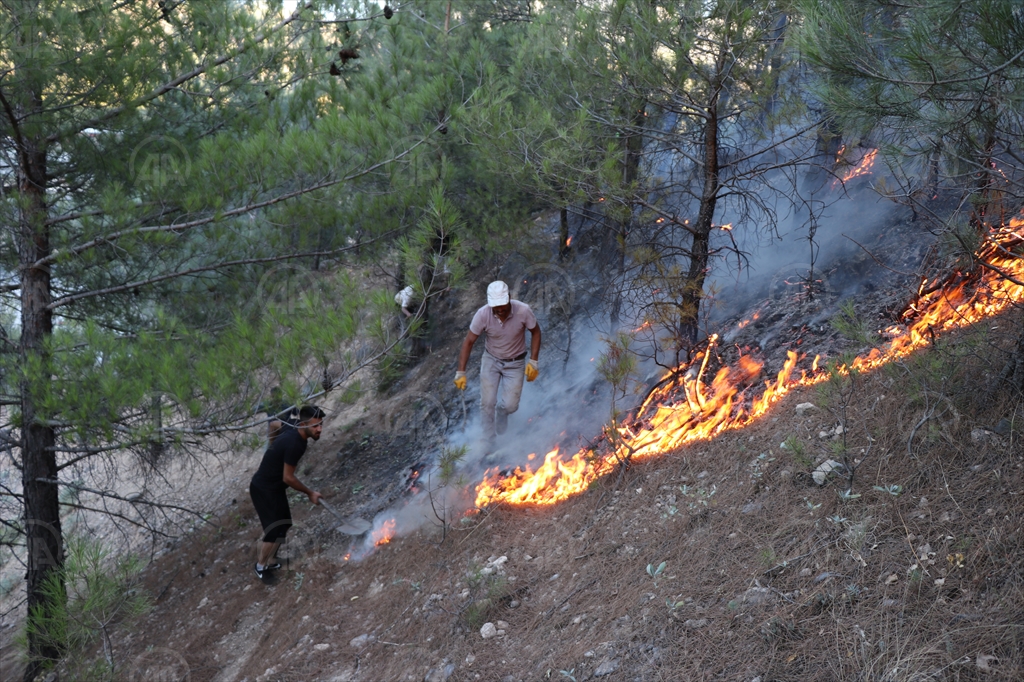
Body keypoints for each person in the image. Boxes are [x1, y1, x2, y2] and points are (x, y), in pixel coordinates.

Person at [454, 281, 541, 444]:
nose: (500, 310)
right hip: (491, 360)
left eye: (503, 305)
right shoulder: (482, 315)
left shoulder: (523, 310)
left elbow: (536, 332)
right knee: (487, 402)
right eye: (496, 307)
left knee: (511, 405)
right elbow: (468, 342)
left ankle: (503, 412)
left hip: (515, 363)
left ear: (509, 298)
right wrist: (461, 372)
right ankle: (488, 438)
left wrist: (534, 361)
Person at [249, 405, 325, 580]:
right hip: (264, 489)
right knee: (274, 530)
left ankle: (271, 559)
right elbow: (288, 478)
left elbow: (275, 424)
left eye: (321, 424)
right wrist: (310, 493)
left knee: (284, 524)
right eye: (315, 426)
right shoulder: (295, 444)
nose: (319, 429)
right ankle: (260, 567)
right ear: (304, 424)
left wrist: (272, 444)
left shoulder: (292, 424)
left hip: (273, 488)